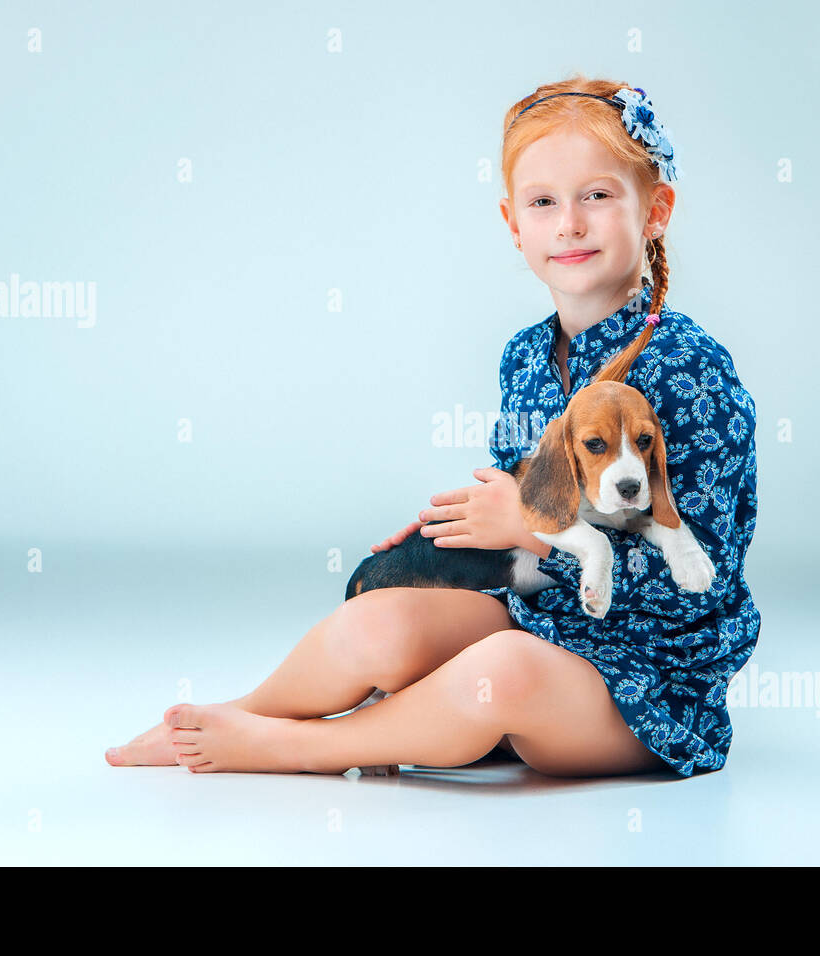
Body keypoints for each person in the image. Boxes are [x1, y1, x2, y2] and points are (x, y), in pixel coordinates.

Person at [105, 73, 760, 778]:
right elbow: (527, 508)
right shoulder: (526, 356)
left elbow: (701, 585)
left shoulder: (690, 370)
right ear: (514, 224)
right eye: (543, 202)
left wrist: (525, 525)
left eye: (597, 196)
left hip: (645, 680)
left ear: (655, 210)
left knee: (502, 669)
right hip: (546, 619)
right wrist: (446, 539)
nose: (568, 223)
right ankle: (251, 711)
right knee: (381, 618)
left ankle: (298, 748)